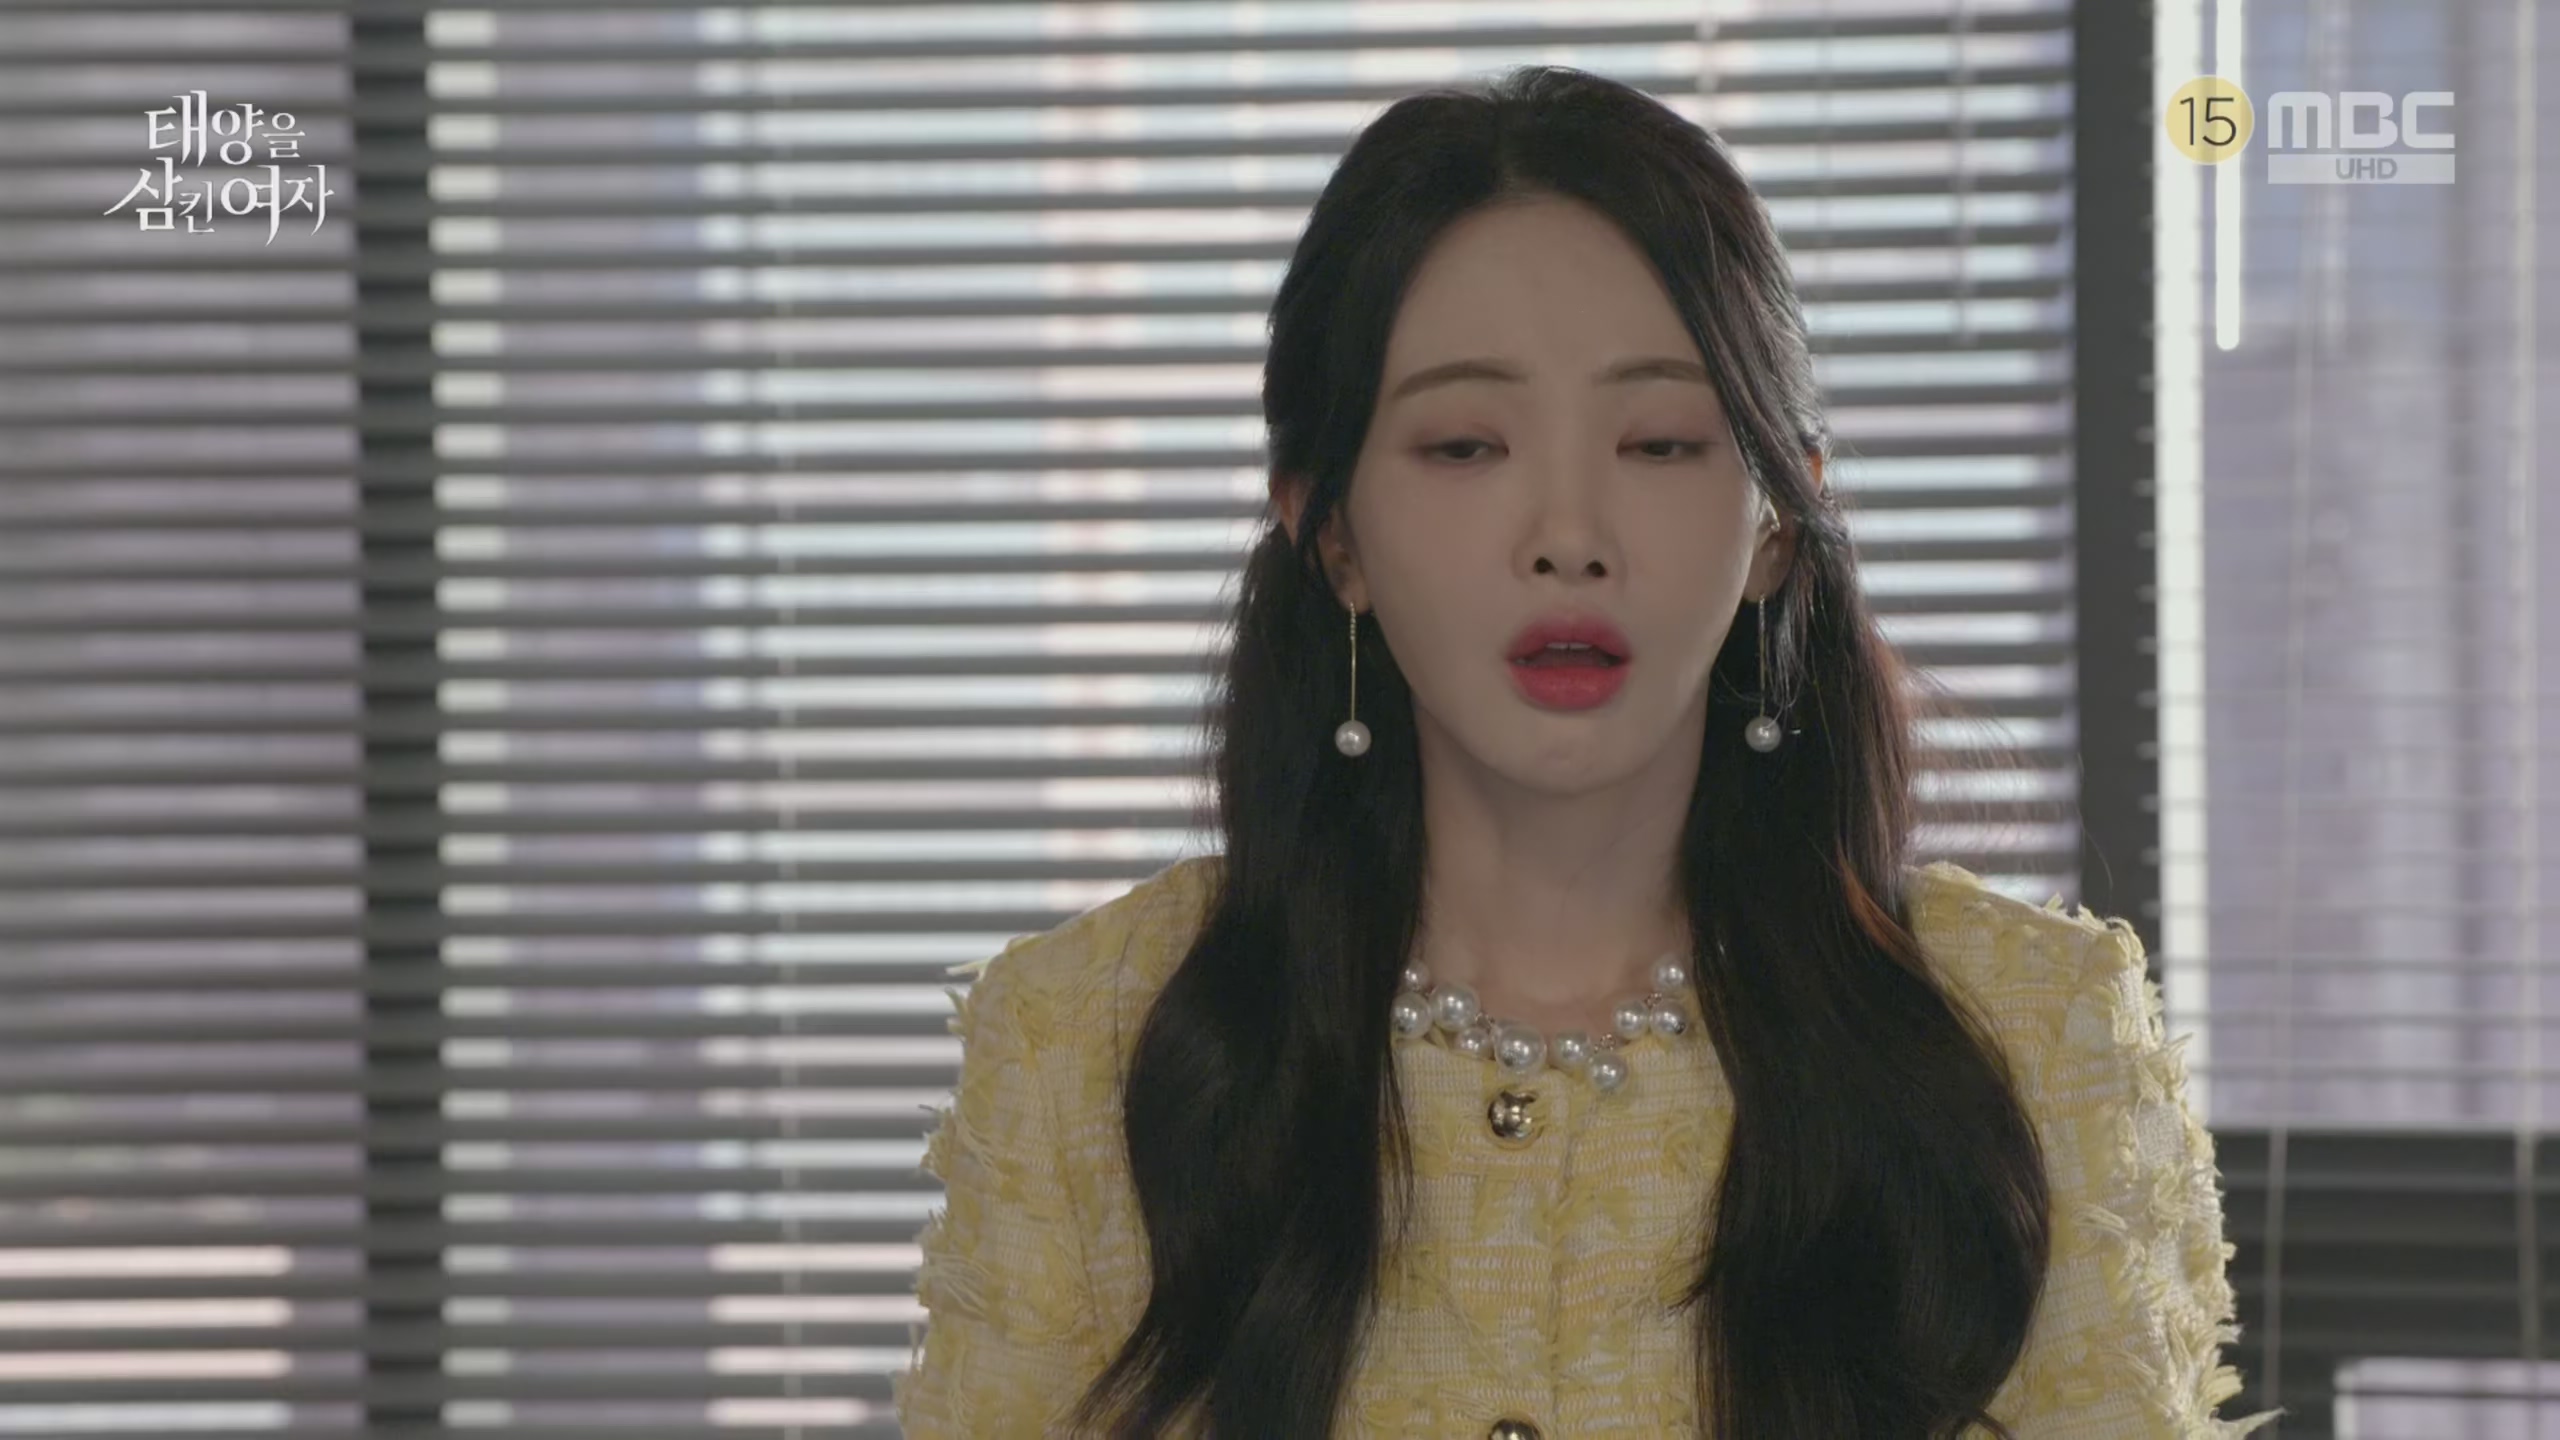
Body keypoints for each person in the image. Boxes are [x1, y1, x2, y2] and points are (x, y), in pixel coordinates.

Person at [894, 65, 2282, 1439]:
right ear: (1333, 536)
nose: (1569, 535)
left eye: (1660, 443)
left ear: (1778, 524)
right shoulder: (1083, 1043)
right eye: (1464, 446)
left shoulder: (2034, 1037)